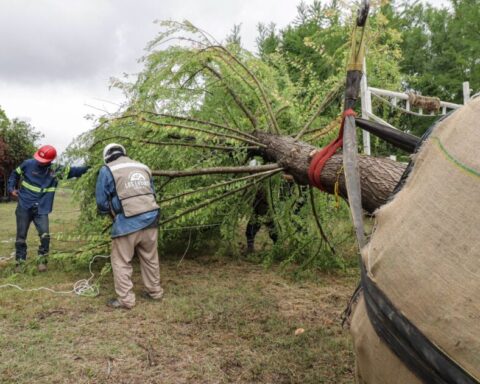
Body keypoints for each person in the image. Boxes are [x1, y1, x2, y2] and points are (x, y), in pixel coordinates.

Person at [95, 143, 163, 309]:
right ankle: (154, 291)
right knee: (150, 257)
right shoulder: (143, 166)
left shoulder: (107, 169)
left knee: (121, 261)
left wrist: (112, 215)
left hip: (127, 221)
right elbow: (152, 192)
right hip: (151, 216)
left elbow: (101, 201)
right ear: (124, 153)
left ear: (106, 156)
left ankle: (126, 300)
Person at [7, 145, 89, 272]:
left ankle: (42, 261)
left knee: (45, 236)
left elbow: (75, 171)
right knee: (21, 236)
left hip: (42, 207)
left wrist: (93, 169)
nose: (40, 162)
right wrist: (11, 188)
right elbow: (14, 174)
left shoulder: (56, 170)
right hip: (24, 205)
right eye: (39, 159)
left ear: (50, 161)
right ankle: (20, 262)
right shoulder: (28, 164)